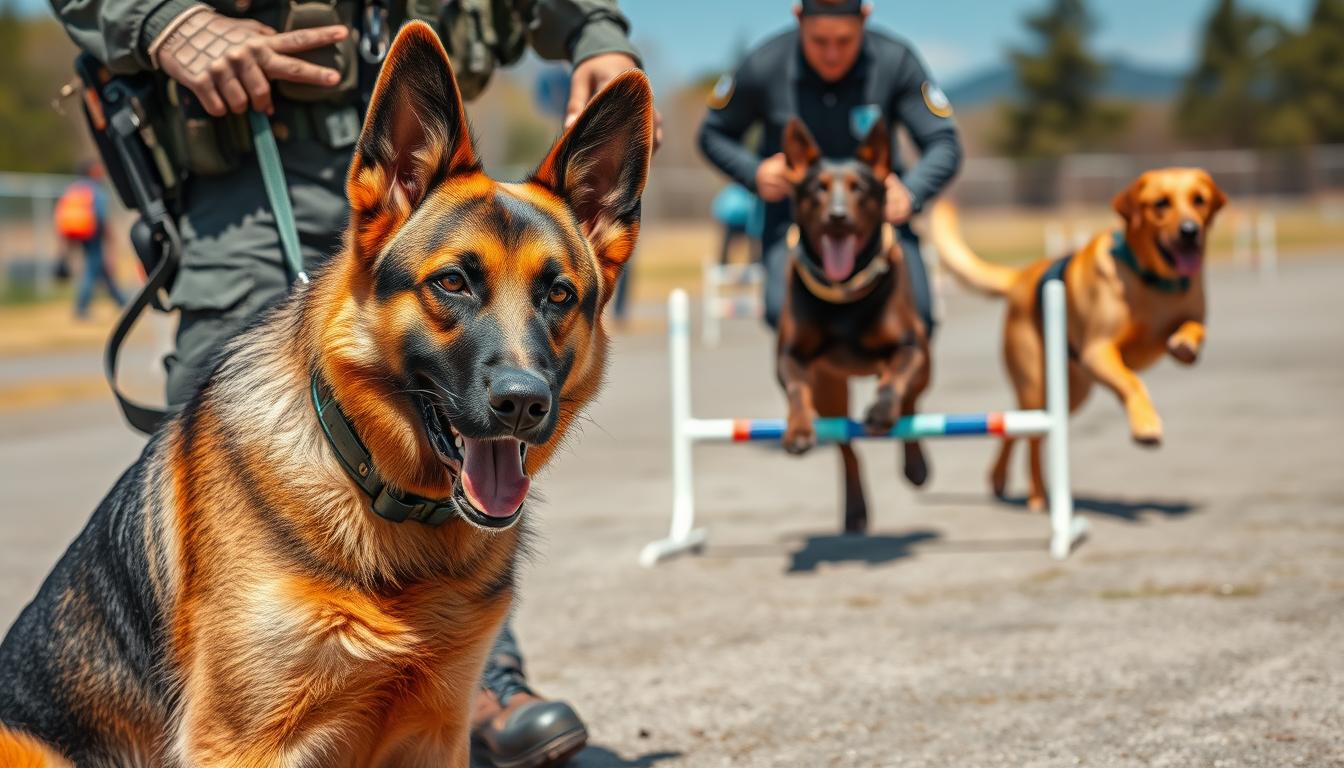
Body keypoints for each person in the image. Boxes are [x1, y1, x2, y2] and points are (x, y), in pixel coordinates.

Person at [49, 2, 650, 765]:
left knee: (459, 502)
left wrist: (598, 39)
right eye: (457, 288)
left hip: (417, 125)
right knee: (246, 467)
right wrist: (158, 19)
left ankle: (478, 681)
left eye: (558, 298)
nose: (525, 378)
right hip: (245, 151)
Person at [697, 0, 962, 332]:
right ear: (798, 18)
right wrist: (755, 173)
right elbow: (712, 134)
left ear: (864, 18)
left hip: (880, 223)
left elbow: (944, 142)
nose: (832, 54)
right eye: (819, 41)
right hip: (794, 224)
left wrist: (912, 192)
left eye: (844, 41)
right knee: (785, 319)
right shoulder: (764, 64)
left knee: (917, 320)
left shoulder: (896, 60)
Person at [55, 161, 127, 318]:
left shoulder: (73, 189)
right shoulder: (94, 190)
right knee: (92, 268)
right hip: (93, 232)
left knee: (100, 267)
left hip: (76, 231)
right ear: (91, 172)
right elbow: (101, 216)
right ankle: (82, 307)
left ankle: (121, 301)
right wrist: (110, 236)